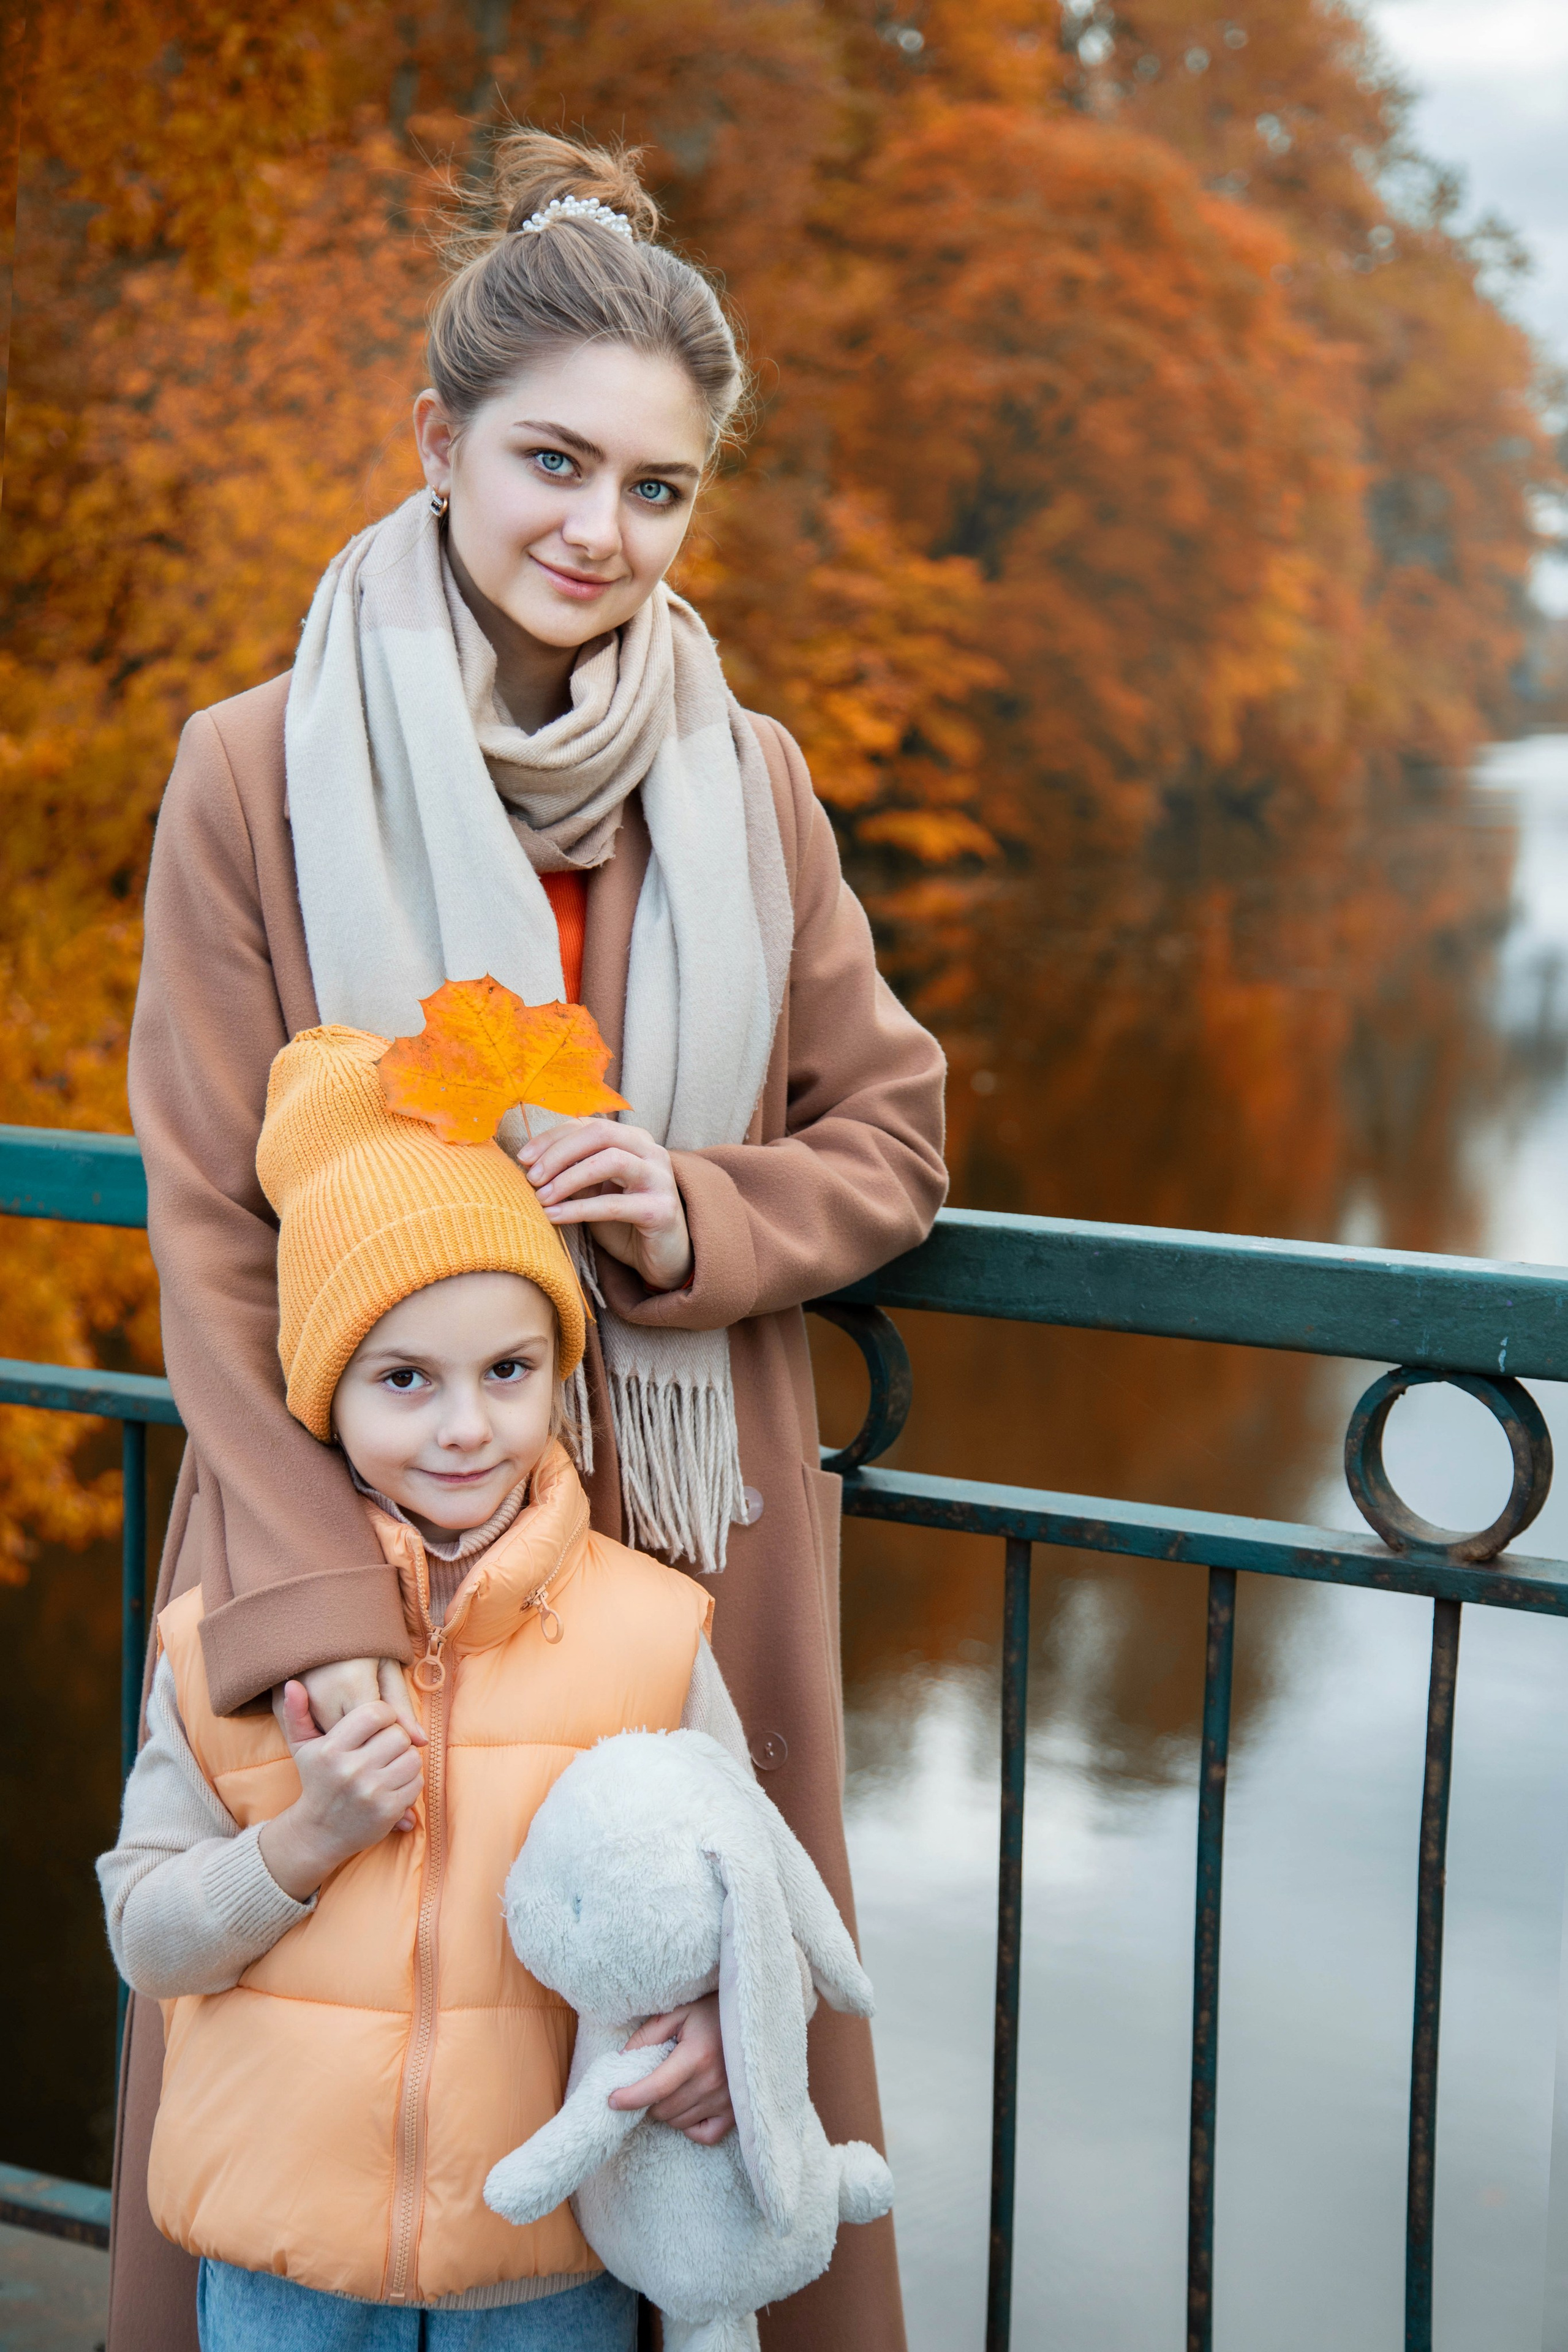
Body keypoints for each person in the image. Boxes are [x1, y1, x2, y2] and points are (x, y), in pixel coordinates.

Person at [116, 125, 946, 2352]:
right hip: (342, 1532)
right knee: (338, 2067)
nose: (599, 531)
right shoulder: (251, 768)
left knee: (657, 2105)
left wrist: (704, 1208)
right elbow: (210, 1229)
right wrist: (304, 1606)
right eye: (552, 463)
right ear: (437, 444)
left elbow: (895, 1136)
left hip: (671, 1566)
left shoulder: (749, 778)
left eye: (657, 489)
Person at [101, 1021, 751, 2346]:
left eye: (507, 1372)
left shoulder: (652, 1632)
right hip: (283, 2271)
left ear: (558, 1375)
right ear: (322, 1395)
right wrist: (303, 1841)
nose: (465, 1427)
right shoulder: (227, 1643)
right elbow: (148, 1938)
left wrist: (713, 2028)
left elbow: (739, 1901)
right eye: (404, 1380)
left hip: (548, 2262)